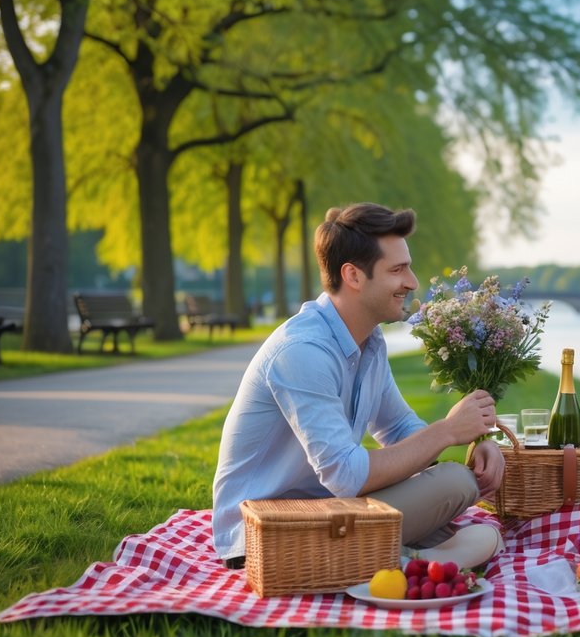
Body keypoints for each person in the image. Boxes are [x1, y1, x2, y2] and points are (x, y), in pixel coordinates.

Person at [212, 203, 505, 569]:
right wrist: (446, 432)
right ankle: (408, 562)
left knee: (456, 488)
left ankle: (402, 556)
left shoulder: (370, 342)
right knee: (454, 487)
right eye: (397, 270)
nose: (412, 282)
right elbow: (346, 476)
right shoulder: (303, 352)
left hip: (325, 510)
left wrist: (473, 442)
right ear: (352, 275)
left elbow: (397, 428)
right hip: (264, 533)